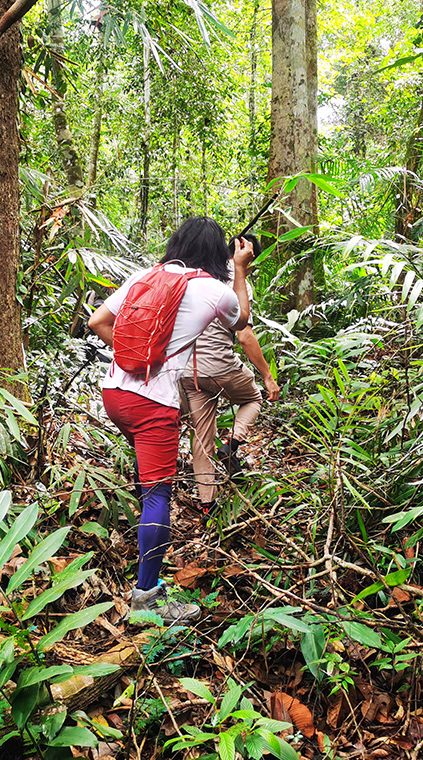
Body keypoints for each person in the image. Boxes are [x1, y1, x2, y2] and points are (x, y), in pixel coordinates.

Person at [88, 217, 254, 625]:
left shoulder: (145, 274)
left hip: (114, 395)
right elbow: (241, 321)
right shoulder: (214, 288)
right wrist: (241, 271)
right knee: (158, 495)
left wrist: (135, 354)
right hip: (152, 403)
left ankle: (144, 570)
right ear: (218, 253)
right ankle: (146, 599)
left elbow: (98, 322)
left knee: (150, 484)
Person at [180, 234, 280, 515]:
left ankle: (206, 506)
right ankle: (232, 443)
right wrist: (268, 377)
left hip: (190, 373)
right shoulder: (232, 284)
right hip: (221, 367)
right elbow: (245, 334)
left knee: (201, 439)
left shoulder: (194, 280)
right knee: (254, 399)